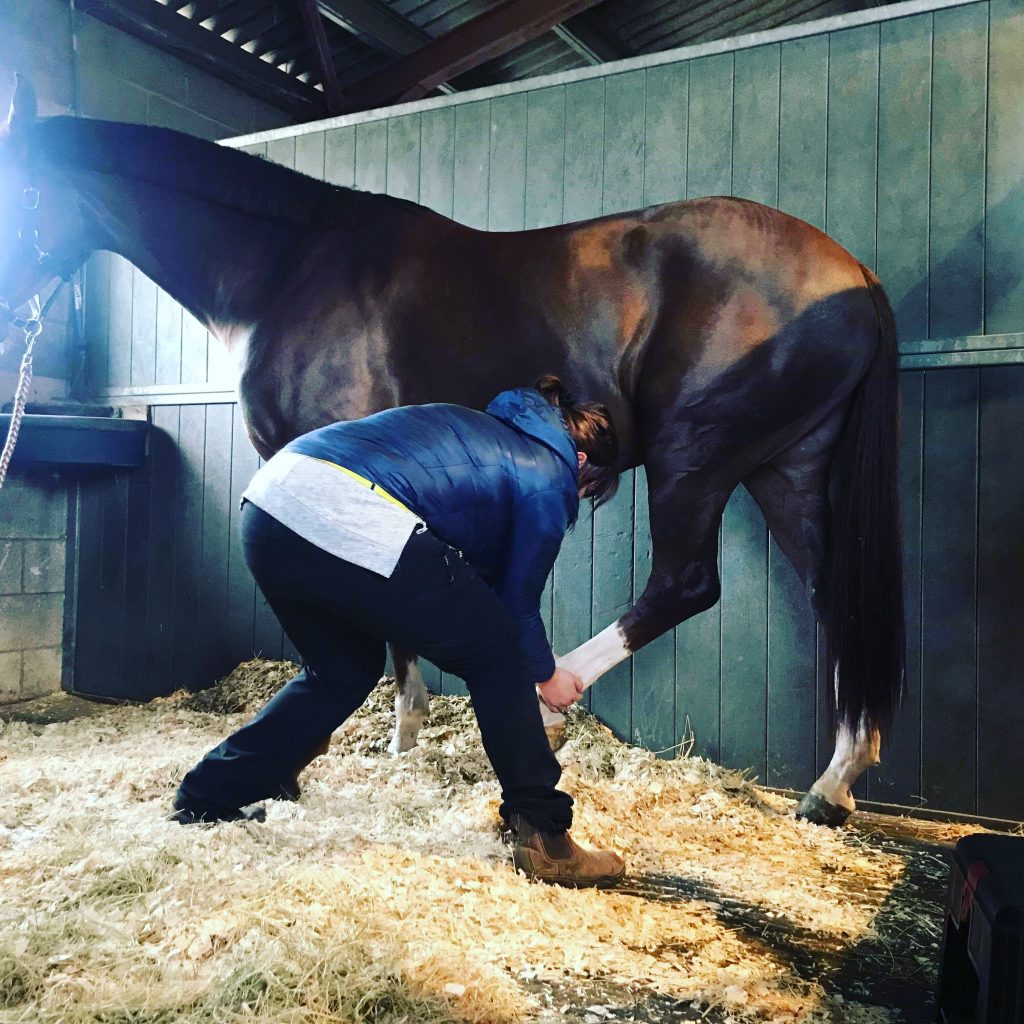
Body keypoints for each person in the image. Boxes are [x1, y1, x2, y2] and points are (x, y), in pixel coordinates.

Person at [171, 376, 625, 888]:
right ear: (582, 460)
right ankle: (545, 836)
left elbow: (472, 577)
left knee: (339, 673)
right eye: (587, 490)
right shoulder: (549, 473)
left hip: (271, 502)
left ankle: (208, 795)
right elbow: (514, 607)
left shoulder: (489, 431)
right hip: (347, 508)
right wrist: (547, 676)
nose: (577, 496)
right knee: (498, 652)